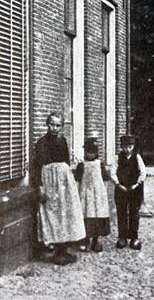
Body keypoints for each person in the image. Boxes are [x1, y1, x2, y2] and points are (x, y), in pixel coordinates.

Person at [32, 112, 85, 265]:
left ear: (61, 127)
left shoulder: (63, 141)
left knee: (65, 213)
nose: (54, 128)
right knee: (52, 214)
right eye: (51, 124)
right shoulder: (41, 143)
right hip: (49, 182)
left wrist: (69, 184)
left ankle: (64, 249)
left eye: (57, 125)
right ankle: (55, 248)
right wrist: (40, 186)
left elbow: (67, 163)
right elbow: (38, 167)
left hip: (63, 183)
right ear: (46, 124)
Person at [74, 138, 111, 252]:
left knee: (97, 217)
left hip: (97, 196)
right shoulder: (82, 165)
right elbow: (77, 180)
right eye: (88, 152)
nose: (90, 154)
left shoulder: (100, 165)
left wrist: (103, 193)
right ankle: (85, 240)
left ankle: (96, 240)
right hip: (85, 194)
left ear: (96, 153)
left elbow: (105, 179)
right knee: (85, 216)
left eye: (92, 152)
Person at [111, 135, 146, 250]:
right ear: (122, 147)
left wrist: (136, 184)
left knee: (134, 213)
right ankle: (122, 238)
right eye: (125, 147)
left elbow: (143, 172)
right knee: (121, 213)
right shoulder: (117, 158)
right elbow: (113, 172)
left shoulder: (137, 158)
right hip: (121, 189)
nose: (127, 149)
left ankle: (134, 238)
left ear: (133, 146)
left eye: (130, 147)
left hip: (135, 190)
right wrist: (118, 184)